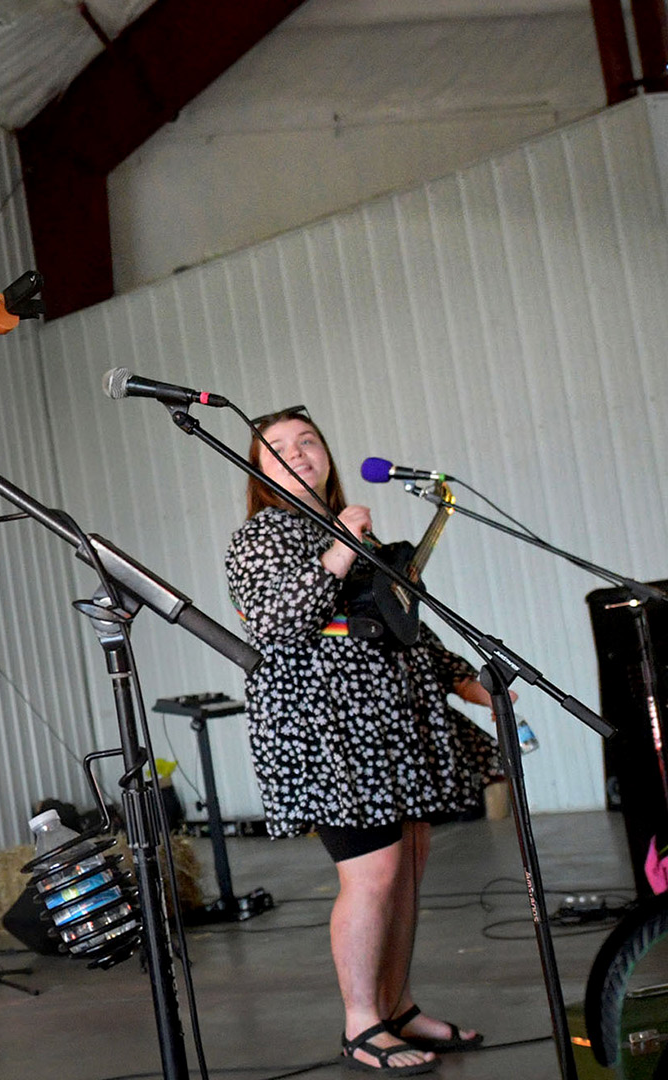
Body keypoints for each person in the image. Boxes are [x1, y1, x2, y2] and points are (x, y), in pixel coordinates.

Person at [224, 406, 499, 1073]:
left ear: (327, 454)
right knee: (371, 873)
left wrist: (471, 683)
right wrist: (340, 547)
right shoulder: (259, 538)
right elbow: (278, 624)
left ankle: (398, 1006)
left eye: (308, 441)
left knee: (406, 870)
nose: (298, 453)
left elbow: (407, 626)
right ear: (259, 469)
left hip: (394, 721)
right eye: (279, 447)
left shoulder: (361, 536)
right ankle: (361, 1022)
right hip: (329, 731)